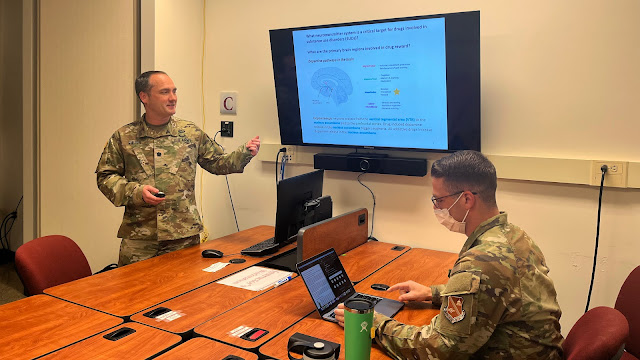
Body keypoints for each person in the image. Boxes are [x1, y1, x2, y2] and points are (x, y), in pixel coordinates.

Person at [335, 150, 563, 359]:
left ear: (466, 199)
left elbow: (438, 350)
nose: (436, 208)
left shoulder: (481, 262)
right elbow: (492, 293)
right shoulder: (514, 236)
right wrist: (434, 293)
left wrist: (373, 324)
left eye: (439, 200)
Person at [96, 70, 260, 266]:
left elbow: (217, 163)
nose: (173, 98)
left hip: (183, 235)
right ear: (144, 97)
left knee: (185, 292)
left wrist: (244, 153)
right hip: (140, 237)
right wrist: (135, 191)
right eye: (165, 92)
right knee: (135, 294)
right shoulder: (123, 137)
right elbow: (105, 176)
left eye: (174, 91)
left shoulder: (190, 133)